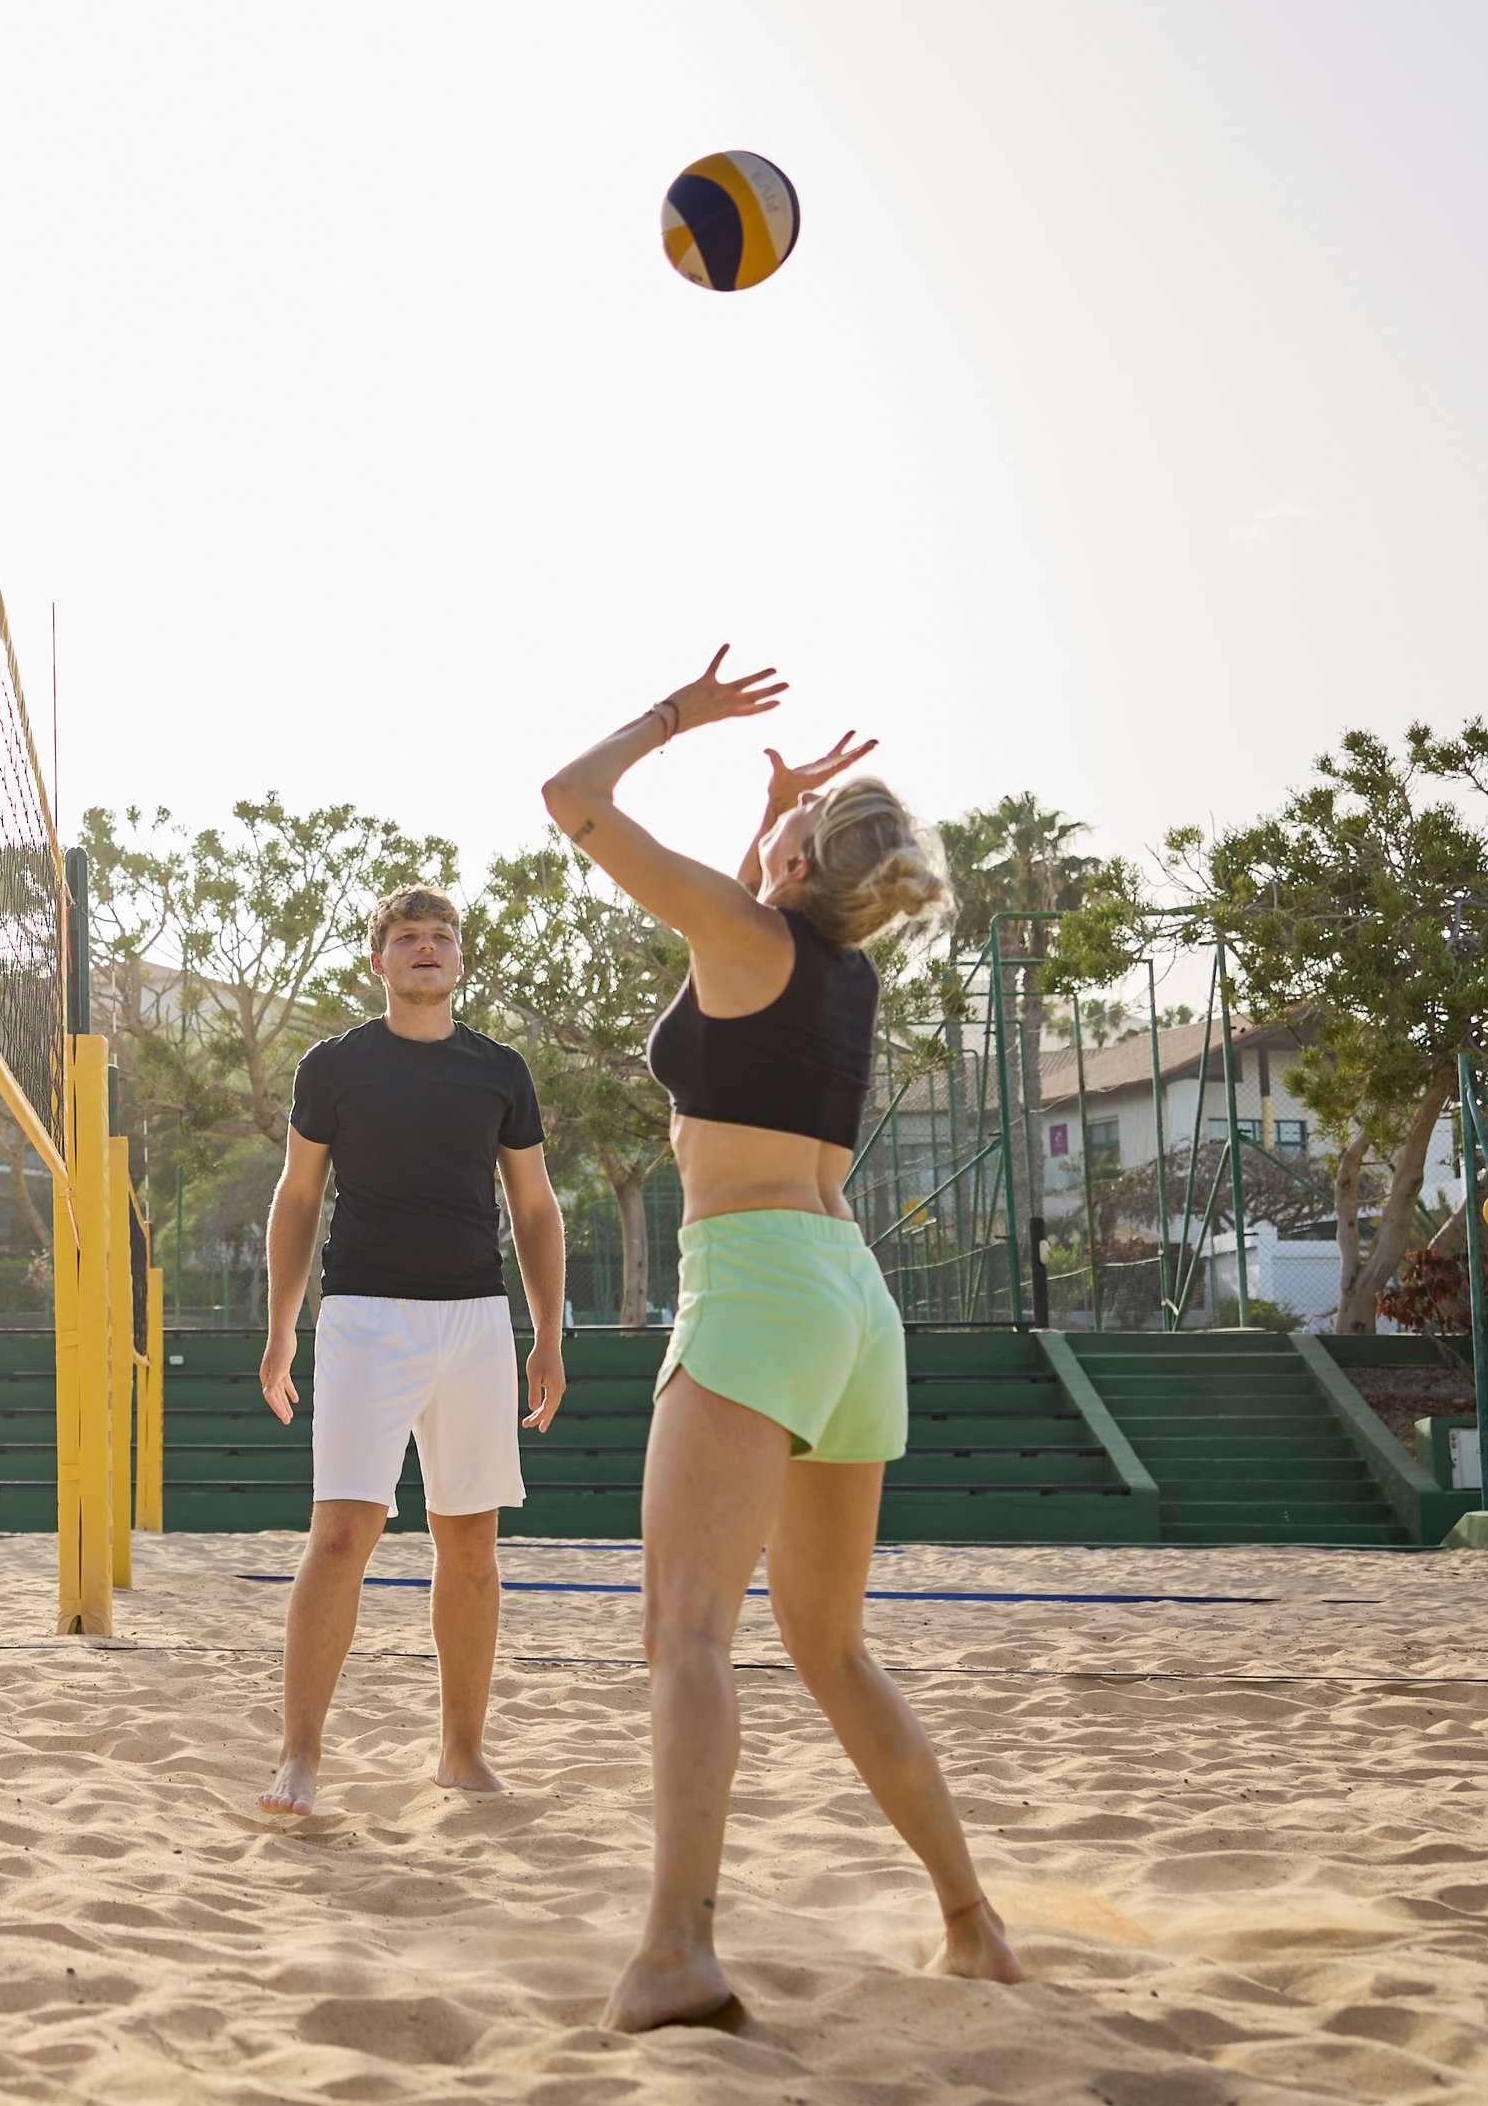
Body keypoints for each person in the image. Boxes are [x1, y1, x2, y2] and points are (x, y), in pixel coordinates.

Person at [539, 648, 1022, 2031]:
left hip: (753, 1283)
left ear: (805, 860)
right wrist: (786, 815)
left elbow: (569, 795)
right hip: (853, 1301)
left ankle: (679, 1946)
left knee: (687, 1633)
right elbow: (766, 906)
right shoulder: (830, 971)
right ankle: (973, 1923)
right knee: (829, 1644)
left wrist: (681, 715)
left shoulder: (746, 941)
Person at [256, 886, 570, 1817]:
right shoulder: (335, 1065)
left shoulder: (501, 1070)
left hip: (475, 1319)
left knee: (469, 1542)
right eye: (406, 938)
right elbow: (298, 1198)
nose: (425, 948)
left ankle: (461, 1754)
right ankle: (299, 1757)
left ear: (460, 958)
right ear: (379, 960)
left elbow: (537, 1208)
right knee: (343, 1534)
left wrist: (549, 1332)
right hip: (363, 1318)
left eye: (440, 937)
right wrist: (281, 1328)